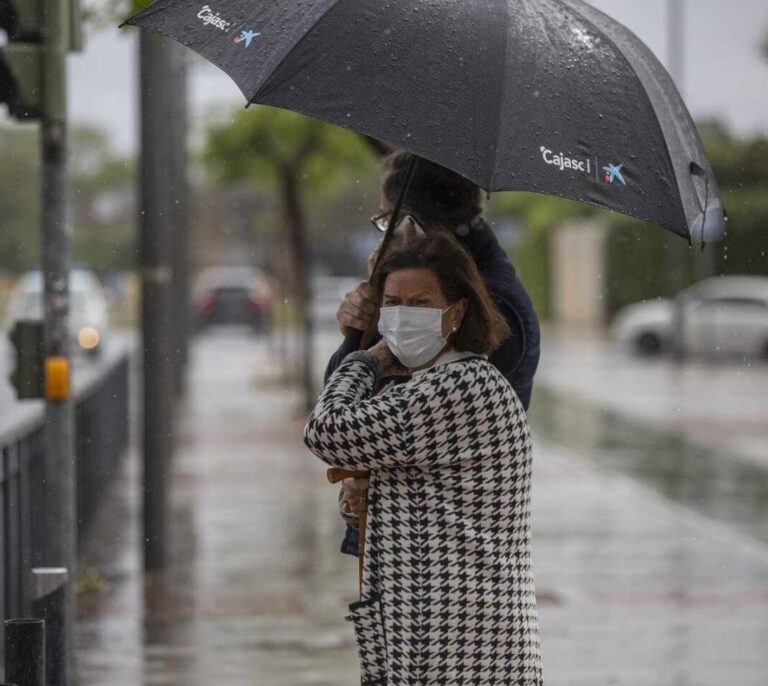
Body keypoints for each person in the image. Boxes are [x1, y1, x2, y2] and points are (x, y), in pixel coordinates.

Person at [304, 234, 543, 684]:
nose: (402, 314)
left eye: (420, 301)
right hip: (422, 638)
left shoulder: (461, 387)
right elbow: (410, 493)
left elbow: (326, 431)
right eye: (392, 301)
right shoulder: (423, 387)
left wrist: (366, 359)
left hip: (462, 646)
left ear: (456, 312)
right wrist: (361, 501)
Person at [325, 151, 541, 555]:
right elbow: (349, 411)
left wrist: (367, 350)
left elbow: (347, 427)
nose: (385, 234)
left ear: (415, 224)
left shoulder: (488, 306)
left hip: (448, 552)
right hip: (412, 545)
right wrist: (357, 331)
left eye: (388, 220)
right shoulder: (429, 287)